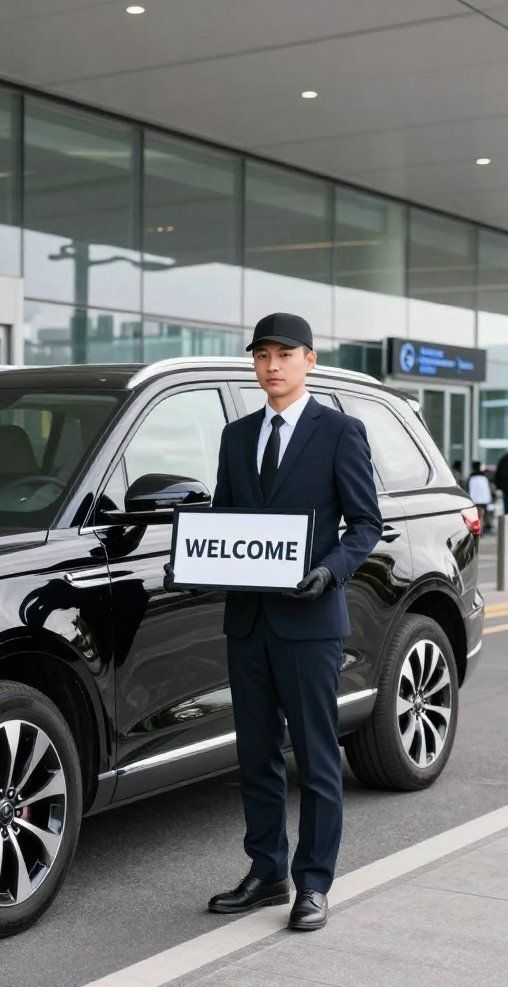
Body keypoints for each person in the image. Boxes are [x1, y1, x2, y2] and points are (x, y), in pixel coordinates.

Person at [168, 312, 381, 931]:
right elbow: (230, 518)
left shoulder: (341, 431)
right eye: (262, 354)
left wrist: (331, 570)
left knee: (316, 758)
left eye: (284, 353)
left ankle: (313, 884)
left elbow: (365, 524)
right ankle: (267, 872)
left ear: (309, 360)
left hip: (310, 621)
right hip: (248, 621)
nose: (272, 365)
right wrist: (200, 542)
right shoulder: (237, 436)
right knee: (256, 753)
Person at [466, 461, 494, 535]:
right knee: (482, 516)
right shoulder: (485, 477)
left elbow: (468, 489)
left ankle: (478, 531)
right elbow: (489, 489)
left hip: (474, 500)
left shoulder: (471, 477)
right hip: (484, 500)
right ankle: (481, 531)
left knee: (476, 516)